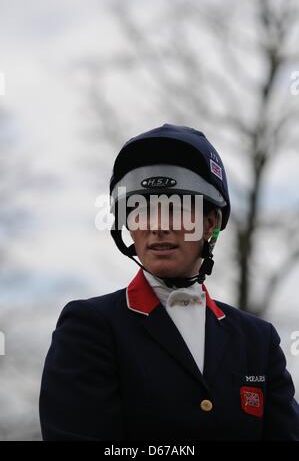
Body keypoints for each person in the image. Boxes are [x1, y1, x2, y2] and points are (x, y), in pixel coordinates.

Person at [39, 123, 299, 440]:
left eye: (176, 211)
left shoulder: (258, 341)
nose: (158, 227)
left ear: (210, 225)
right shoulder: (89, 328)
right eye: (142, 211)